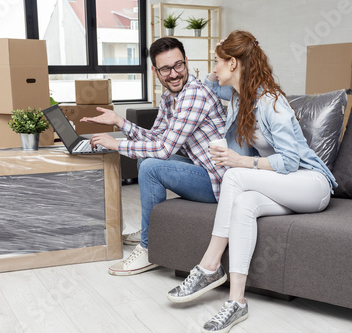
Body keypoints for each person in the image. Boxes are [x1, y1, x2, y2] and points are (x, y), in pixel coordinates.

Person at [166, 30, 338, 333]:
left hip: (310, 184)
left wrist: (241, 162)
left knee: (234, 176)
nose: (214, 68)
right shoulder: (239, 97)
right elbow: (210, 86)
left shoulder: (272, 104)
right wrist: (221, 58)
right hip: (284, 187)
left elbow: (290, 162)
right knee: (244, 203)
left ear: (233, 64)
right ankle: (237, 302)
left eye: (218, 62)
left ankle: (208, 266)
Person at [81, 37, 230, 276]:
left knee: (151, 165)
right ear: (155, 70)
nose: (173, 74)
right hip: (201, 168)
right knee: (145, 158)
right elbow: (155, 139)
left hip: (218, 181)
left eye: (178, 65)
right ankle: (153, 229)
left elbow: (163, 150)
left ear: (187, 62)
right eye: (165, 69)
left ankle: (151, 248)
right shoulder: (170, 96)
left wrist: (117, 144)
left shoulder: (194, 94)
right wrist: (120, 122)